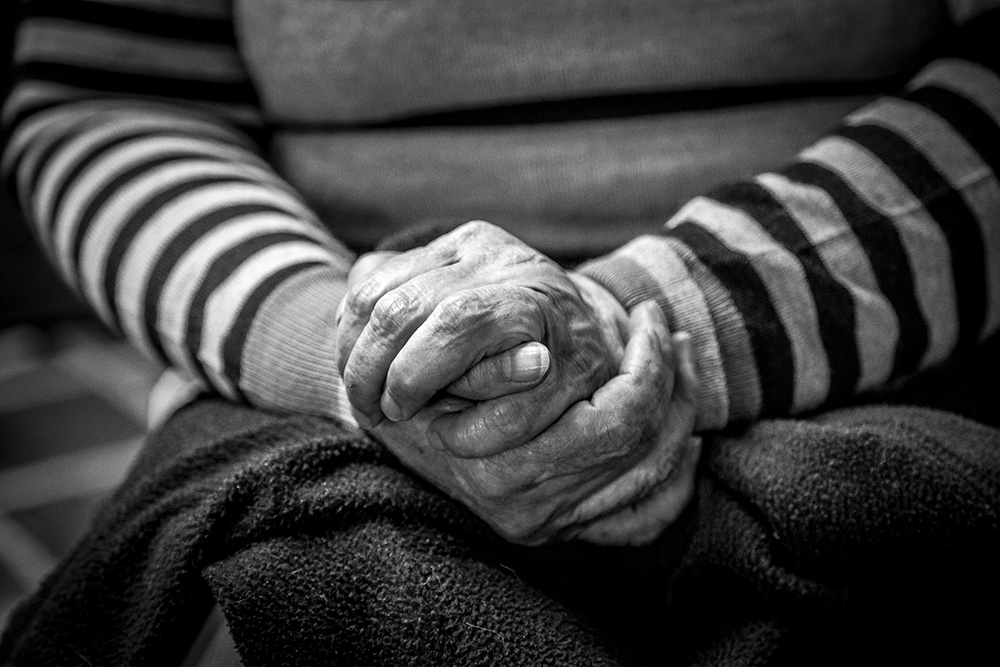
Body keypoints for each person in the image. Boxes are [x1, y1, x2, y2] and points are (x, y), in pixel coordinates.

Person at [1, 0, 999, 664]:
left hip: (865, 343)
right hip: (324, 377)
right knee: (296, 595)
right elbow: (113, 100)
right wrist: (349, 351)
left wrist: (665, 328)